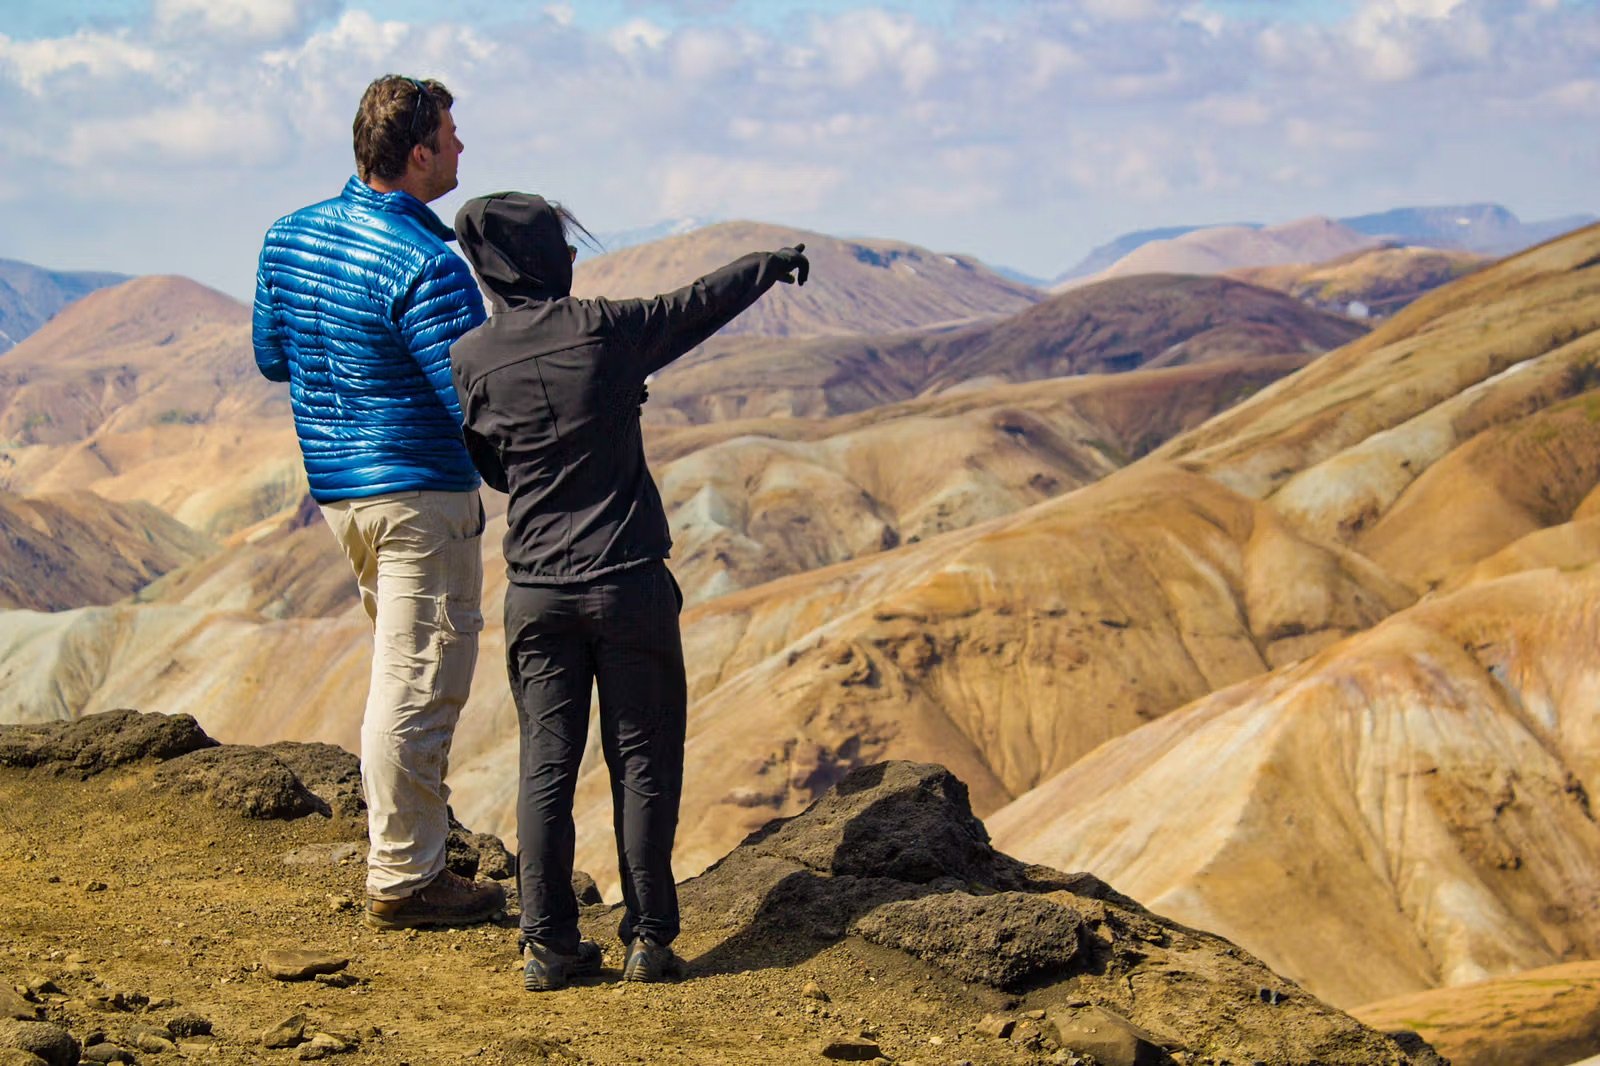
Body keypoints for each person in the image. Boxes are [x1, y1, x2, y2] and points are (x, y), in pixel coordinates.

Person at [448, 192, 809, 990]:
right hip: (628, 584)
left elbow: (494, 466)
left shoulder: (472, 358)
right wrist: (767, 265)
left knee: (546, 764)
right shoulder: (604, 330)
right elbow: (696, 306)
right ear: (545, 257)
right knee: (642, 761)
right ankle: (648, 938)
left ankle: (546, 946)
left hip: (538, 590)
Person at [252, 74, 504, 931]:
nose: (464, 147)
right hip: (420, 497)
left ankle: (414, 853)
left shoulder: (286, 238)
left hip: (339, 495)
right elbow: (471, 395)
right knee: (419, 682)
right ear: (419, 153)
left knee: (404, 671)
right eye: (453, 134)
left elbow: (272, 357)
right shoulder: (427, 264)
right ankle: (405, 877)